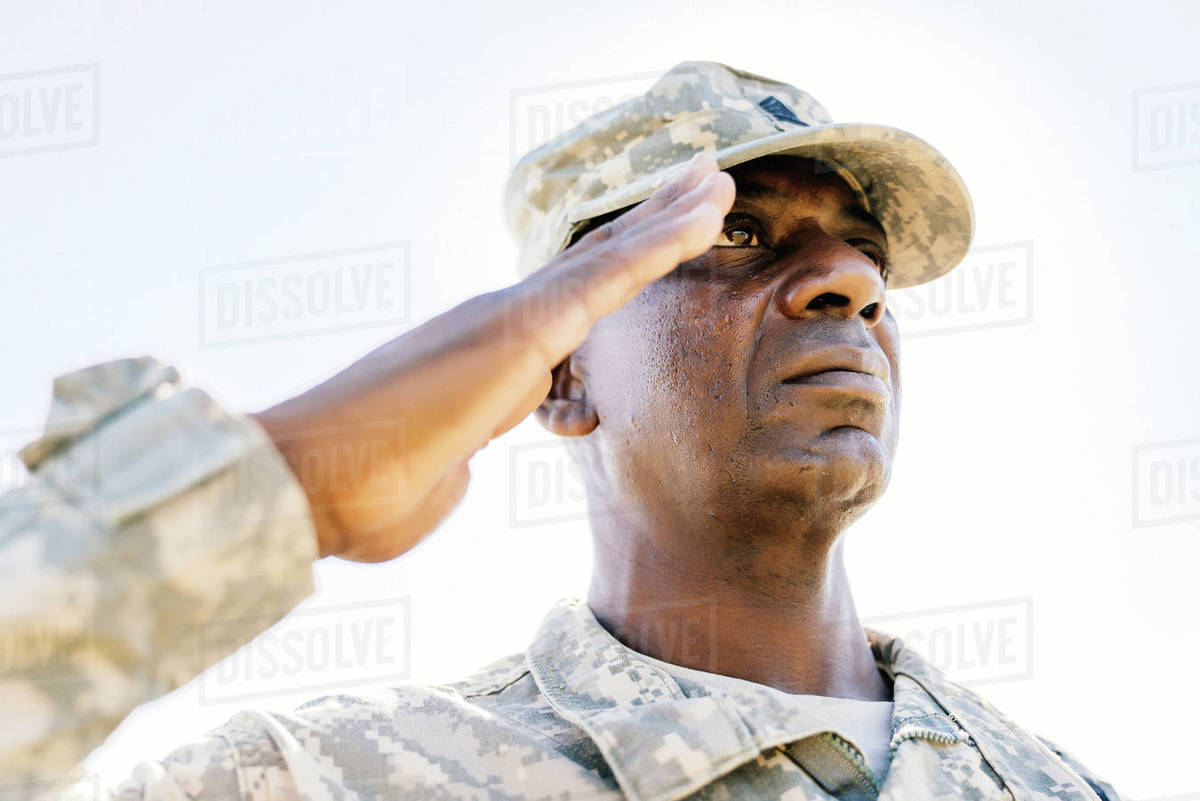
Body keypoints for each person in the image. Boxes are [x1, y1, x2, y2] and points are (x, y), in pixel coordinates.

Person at [0, 61, 1125, 800]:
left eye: (863, 253)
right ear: (561, 371)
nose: (849, 283)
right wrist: (294, 483)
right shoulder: (322, 778)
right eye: (733, 236)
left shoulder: (1066, 788)